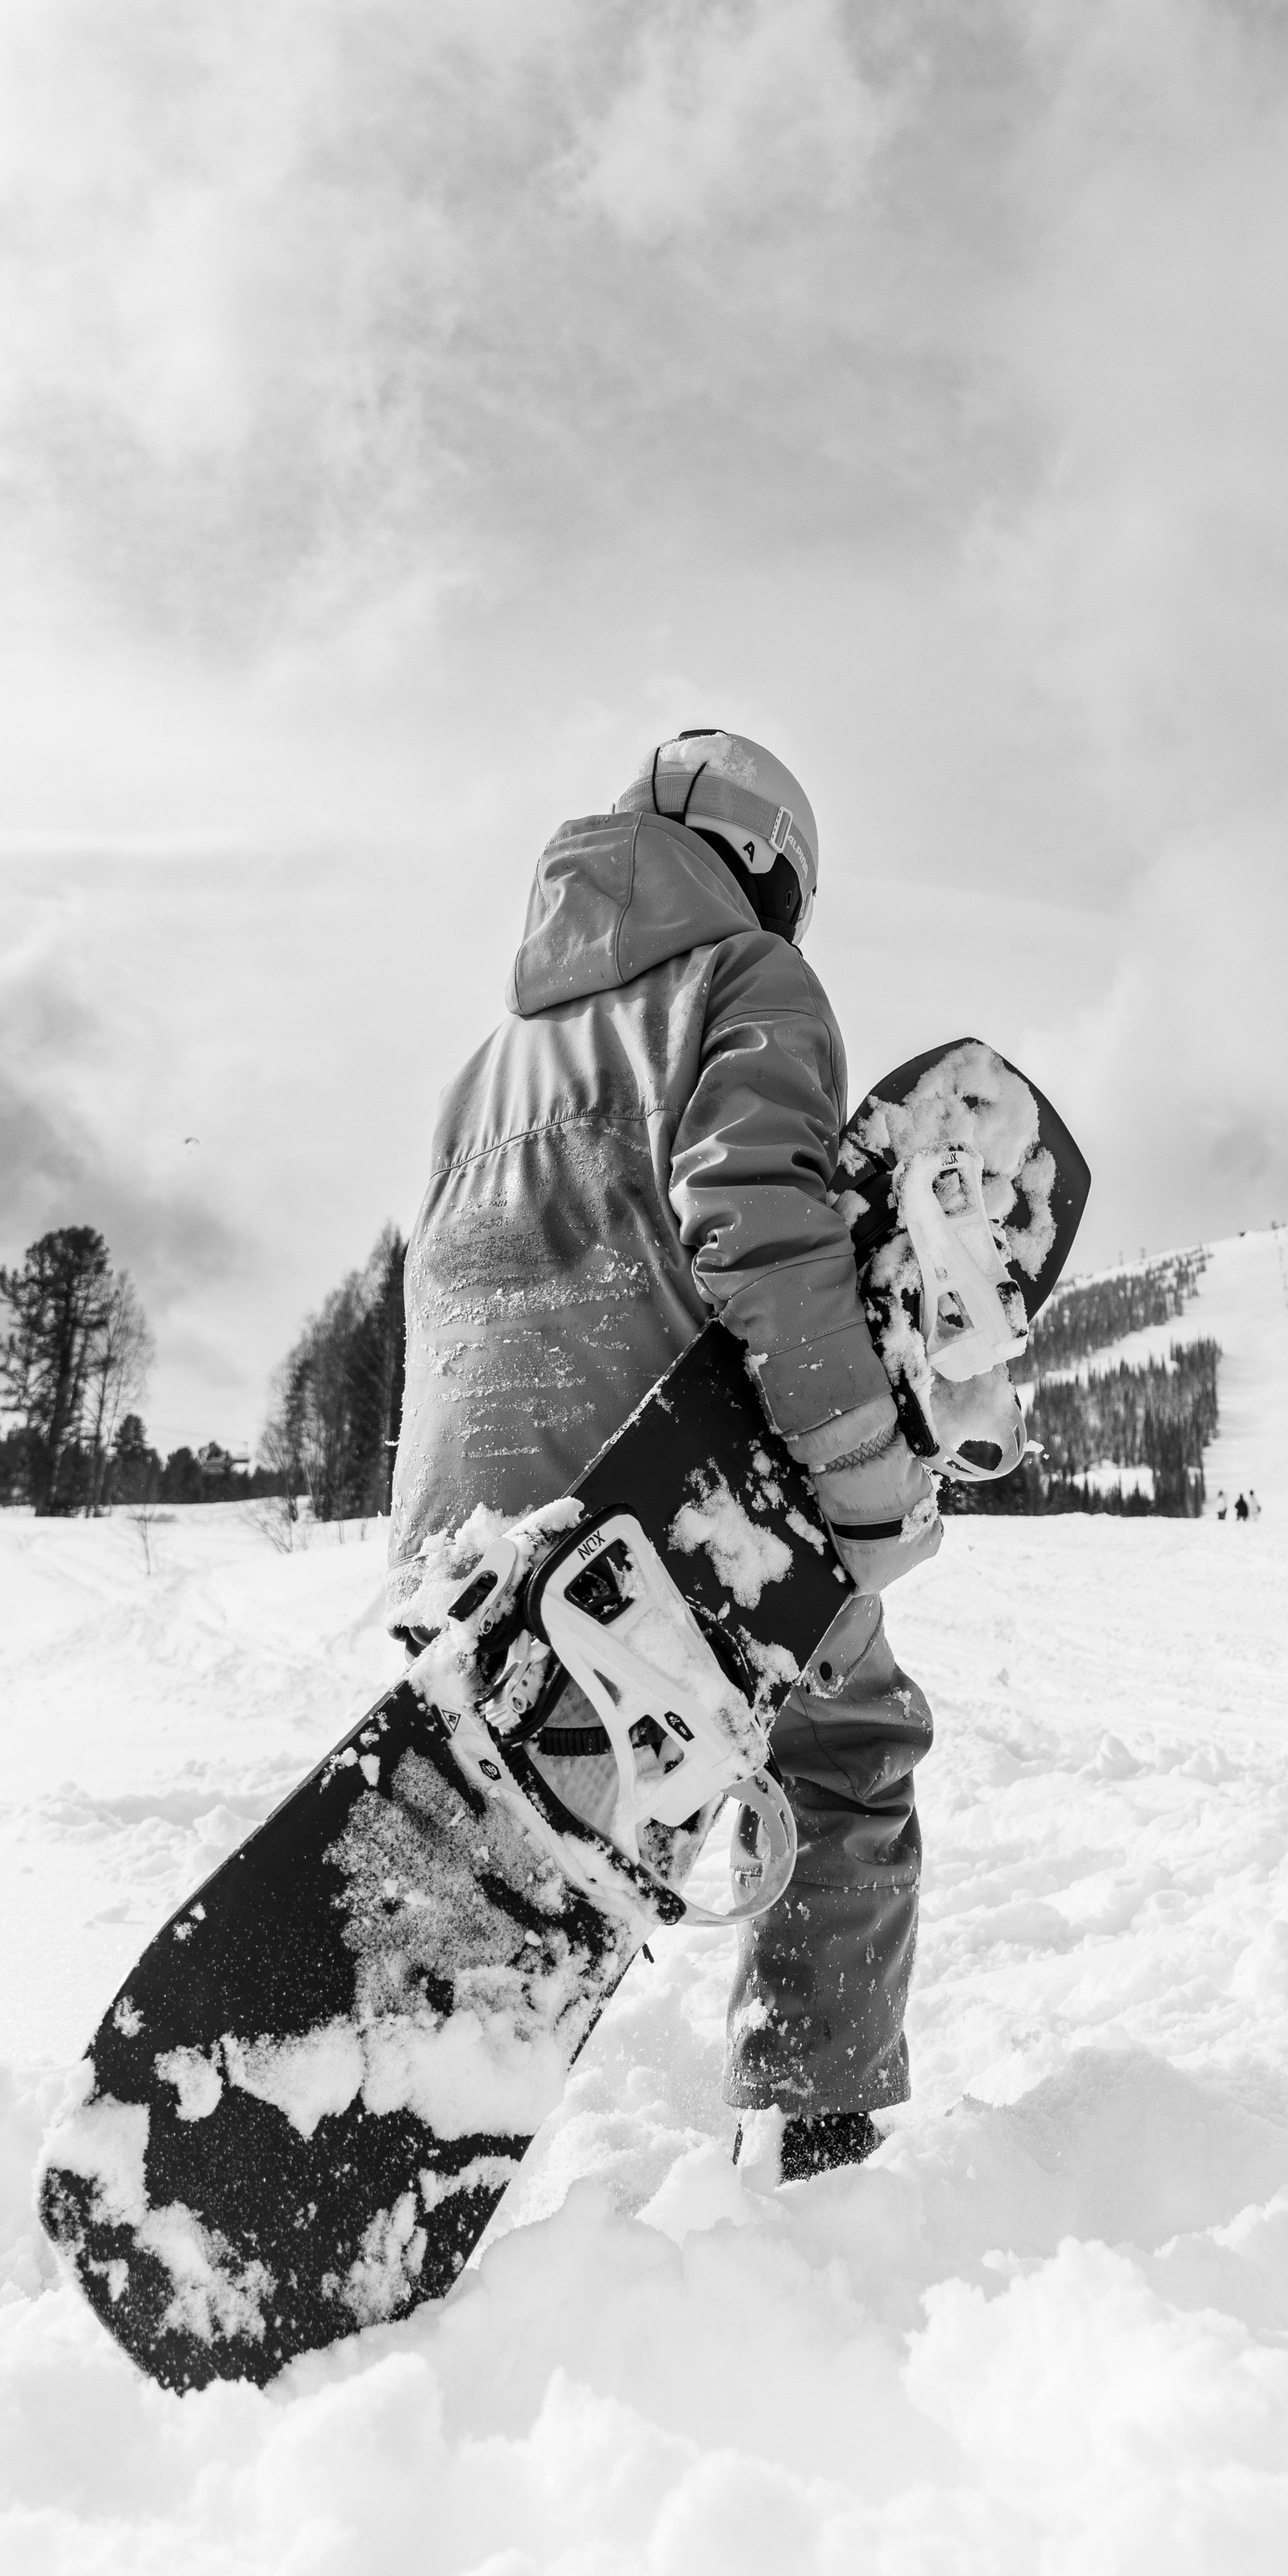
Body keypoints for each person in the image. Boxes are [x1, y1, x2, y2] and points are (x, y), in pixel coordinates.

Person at [382, 726, 940, 2182]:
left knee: (526, 1802)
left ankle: (402, 2043)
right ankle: (812, 2126)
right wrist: (861, 1473)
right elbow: (756, 1219)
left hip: (464, 1537)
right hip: (664, 1505)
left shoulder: (482, 1067)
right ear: (766, 864)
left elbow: (440, 1295)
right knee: (853, 1744)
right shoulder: (747, 981)